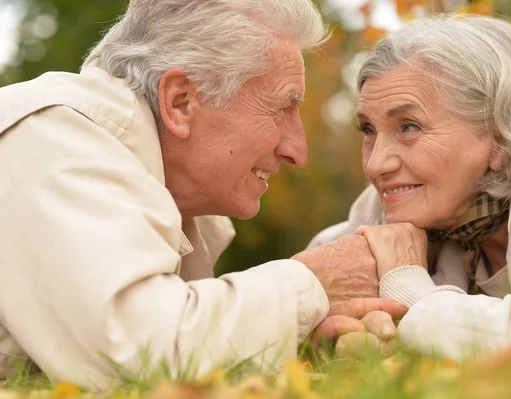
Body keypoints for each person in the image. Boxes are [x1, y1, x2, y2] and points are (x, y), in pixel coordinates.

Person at [0, 0, 406, 389]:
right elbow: (132, 358)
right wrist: (313, 282)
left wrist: (297, 340)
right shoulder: (53, 137)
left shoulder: (170, 192)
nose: (297, 150)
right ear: (180, 102)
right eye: (282, 109)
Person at [310, 14, 511, 359]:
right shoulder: (407, 196)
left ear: (498, 137)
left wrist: (408, 289)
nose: (376, 165)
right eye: (368, 130)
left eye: (408, 127)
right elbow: (305, 287)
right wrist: (318, 325)